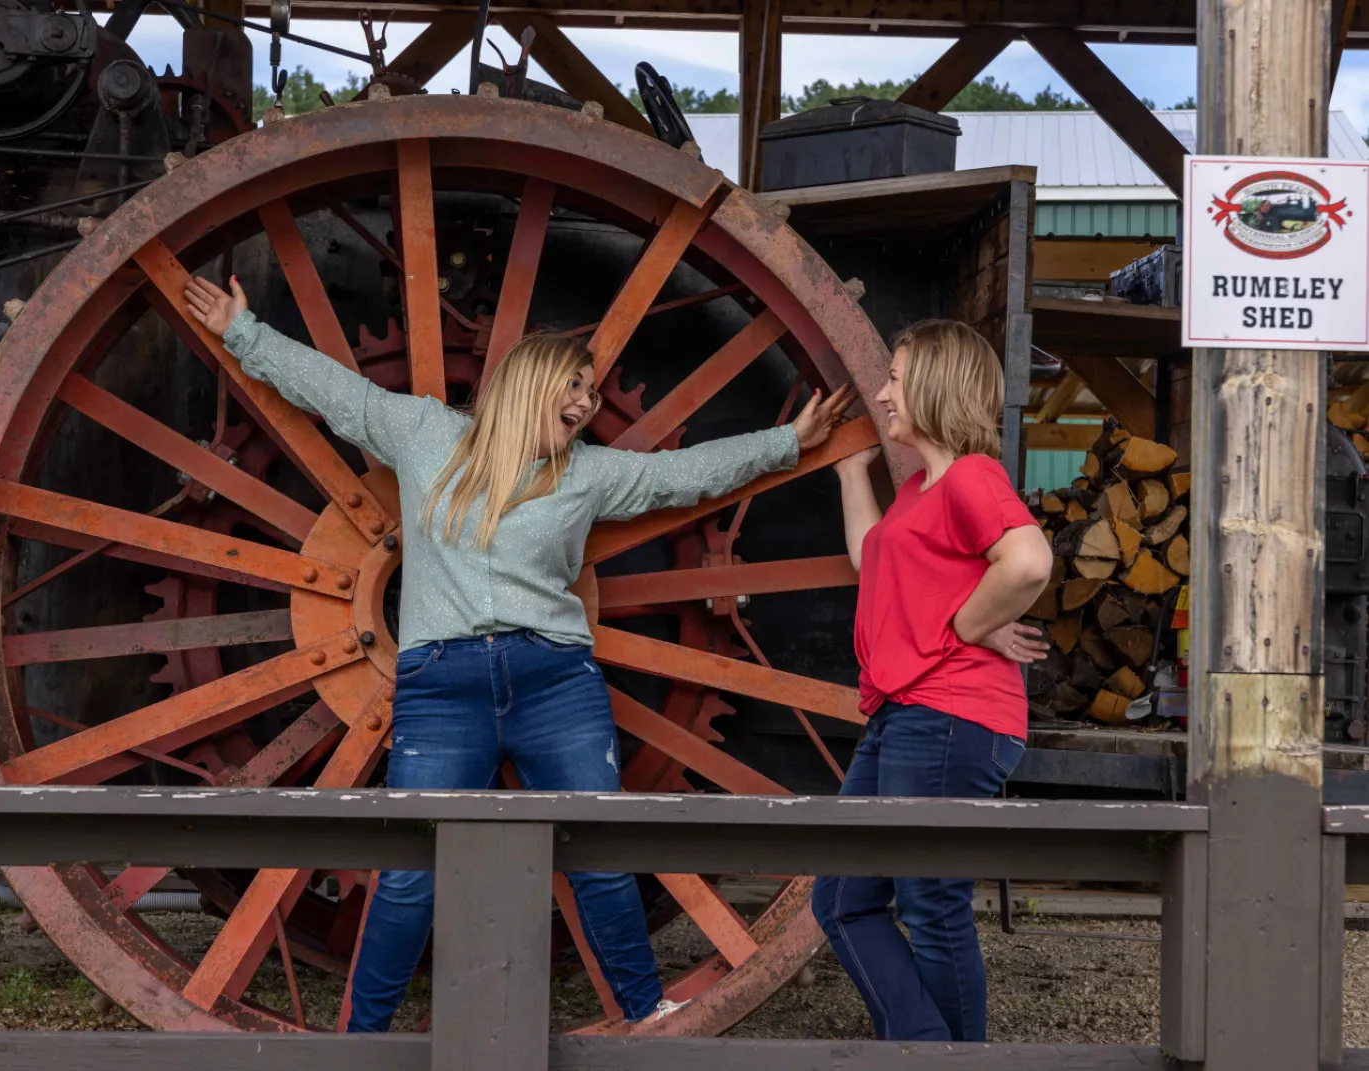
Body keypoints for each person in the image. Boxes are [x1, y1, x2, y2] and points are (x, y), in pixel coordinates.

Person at [183, 274, 853, 1031]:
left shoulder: (588, 473)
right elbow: (338, 394)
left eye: (591, 391)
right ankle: (360, 1040)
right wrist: (243, 332)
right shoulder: (426, 434)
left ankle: (645, 1013)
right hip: (442, 689)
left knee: (599, 853)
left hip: (555, 682)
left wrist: (788, 442)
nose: (587, 403)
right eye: (575, 386)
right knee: (408, 874)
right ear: (531, 383)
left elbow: (684, 476)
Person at [815, 318, 1053, 1043]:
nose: (884, 393)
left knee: (930, 904)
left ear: (936, 384)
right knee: (843, 900)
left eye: (895, 377)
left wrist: (970, 625)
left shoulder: (972, 476)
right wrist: (851, 472)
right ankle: (926, 1050)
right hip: (906, 711)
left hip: (951, 714)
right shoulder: (921, 487)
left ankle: (947, 1059)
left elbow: (1029, 563)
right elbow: (874, 562)